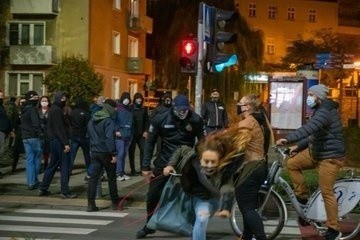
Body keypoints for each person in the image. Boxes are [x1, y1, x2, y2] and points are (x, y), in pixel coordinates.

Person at [162, 126, 261, 240]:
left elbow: (227, 186)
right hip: (195, 194)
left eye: (213, 162)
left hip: (211, 197)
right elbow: (180, 149)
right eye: (206, 161)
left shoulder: (224, 169)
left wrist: (225, 208)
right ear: (200, 158)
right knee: (197, 219)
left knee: (202, 218)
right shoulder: (192, 156)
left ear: (219, 159)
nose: (209, 165)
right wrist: (170, 165)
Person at [276, 84, 345, 240]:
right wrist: (297, 146)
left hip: (330, 157)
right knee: (292, 164)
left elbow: (309, 129)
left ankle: (333, 229)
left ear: (319, 97)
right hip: (317, 152)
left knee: (326, 191)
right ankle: (302, 198)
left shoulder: (325, 112)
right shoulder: (319, 111)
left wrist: (288, 138)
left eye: (312, 95)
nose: (309, 97)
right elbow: (313, 135)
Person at [136, 94, 205, 239]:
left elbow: (203, 142)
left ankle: (191, 225)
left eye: (185, 110)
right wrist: (145, 166)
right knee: (153, 194)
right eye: (179, 110)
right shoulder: (160, 118)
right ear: (173, 107)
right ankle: (149, 225)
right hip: (164, 161)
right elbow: (149, 142)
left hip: (186, 161)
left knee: (190, 196)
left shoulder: (196, 120)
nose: (182, 113)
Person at [235, 94, 273, 240]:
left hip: (250, 168)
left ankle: (260, 237)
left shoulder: (247, 123)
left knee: (247, 208)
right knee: (249, 207)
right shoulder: (261, 121)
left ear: (248, 107)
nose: (239, 105)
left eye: (241, 103)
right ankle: (247, 236)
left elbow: (237, 147)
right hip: (260, 166)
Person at [39, 91, 77, 199]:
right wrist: (65, 143)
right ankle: (65, 191)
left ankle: (43, 187)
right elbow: (59, 128)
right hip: (60, 141)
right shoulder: (57, 110)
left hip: (54, 141)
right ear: (58, 99)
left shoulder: (53, 109)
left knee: (53, 165)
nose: (64, 100)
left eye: (65, 98)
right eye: (63, 98)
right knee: (65, 166)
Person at [87, 99, 120, 212]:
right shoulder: (108, 121)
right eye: (114, 108)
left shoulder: (92, 119)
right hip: (106, 152)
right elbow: (109, 138)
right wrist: (114, 153)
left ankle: (90, 204)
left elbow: (89, 135)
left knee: (93, 178)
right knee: (111, 178)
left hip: (95, 151)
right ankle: (115, 203)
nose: (115, 110)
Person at [20, 91, 42, 190]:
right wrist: (40, 133)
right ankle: (34, 180)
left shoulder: (23, 109)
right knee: (37, 158)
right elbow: (36, 124)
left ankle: (30, 182)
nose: (37, 100)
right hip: (33, 137)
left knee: (29, 160)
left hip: (25, 137)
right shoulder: (33, 110)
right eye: (35, 98)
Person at [69, 97, 91, 178]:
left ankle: (69, 170)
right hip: (83, 136)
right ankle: (89, 171)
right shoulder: (86, 113)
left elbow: (70, 123)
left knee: (72, 155)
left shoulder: (72, 112)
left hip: (74, 135)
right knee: (87, 155)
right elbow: (88, 125)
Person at [128, 92, 149, 175]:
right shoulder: (130, 109)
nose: (139, 100)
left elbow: (147, 121)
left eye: (140, 98)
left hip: (141, 134)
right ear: (134, 99)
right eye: (137, 98)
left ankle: (142, 168)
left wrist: (146, 131)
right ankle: (132, 170)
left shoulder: (144, 109)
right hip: (132, 134)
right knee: (131, 152)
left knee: (143, 151)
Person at [114, 92, 134, 181]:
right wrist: (116, 130)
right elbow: (114, 121)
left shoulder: (129, 109)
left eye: (128, 98)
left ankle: (122, 172)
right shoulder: (118, 109)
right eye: (125, 98)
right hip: (120, 135)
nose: (127, 100)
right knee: (120, 154)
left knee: (123, 155)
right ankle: (118, 173)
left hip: (128, 135)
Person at [0, 90, 12, 178]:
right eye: (0, 96)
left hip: (3, 131)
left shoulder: (2, 107)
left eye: (2, 96)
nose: (2, 98)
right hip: (0, 131)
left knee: (1, 151)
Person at [38, 95, 51, 172]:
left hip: (48, 133)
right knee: (40, 150)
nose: (44, 102)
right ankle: (39, 165)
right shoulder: (37, 111)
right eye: (43, 101)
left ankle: (46, 164)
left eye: (46, 101)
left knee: (47, 151)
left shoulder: (51, 111)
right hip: (40, 133)